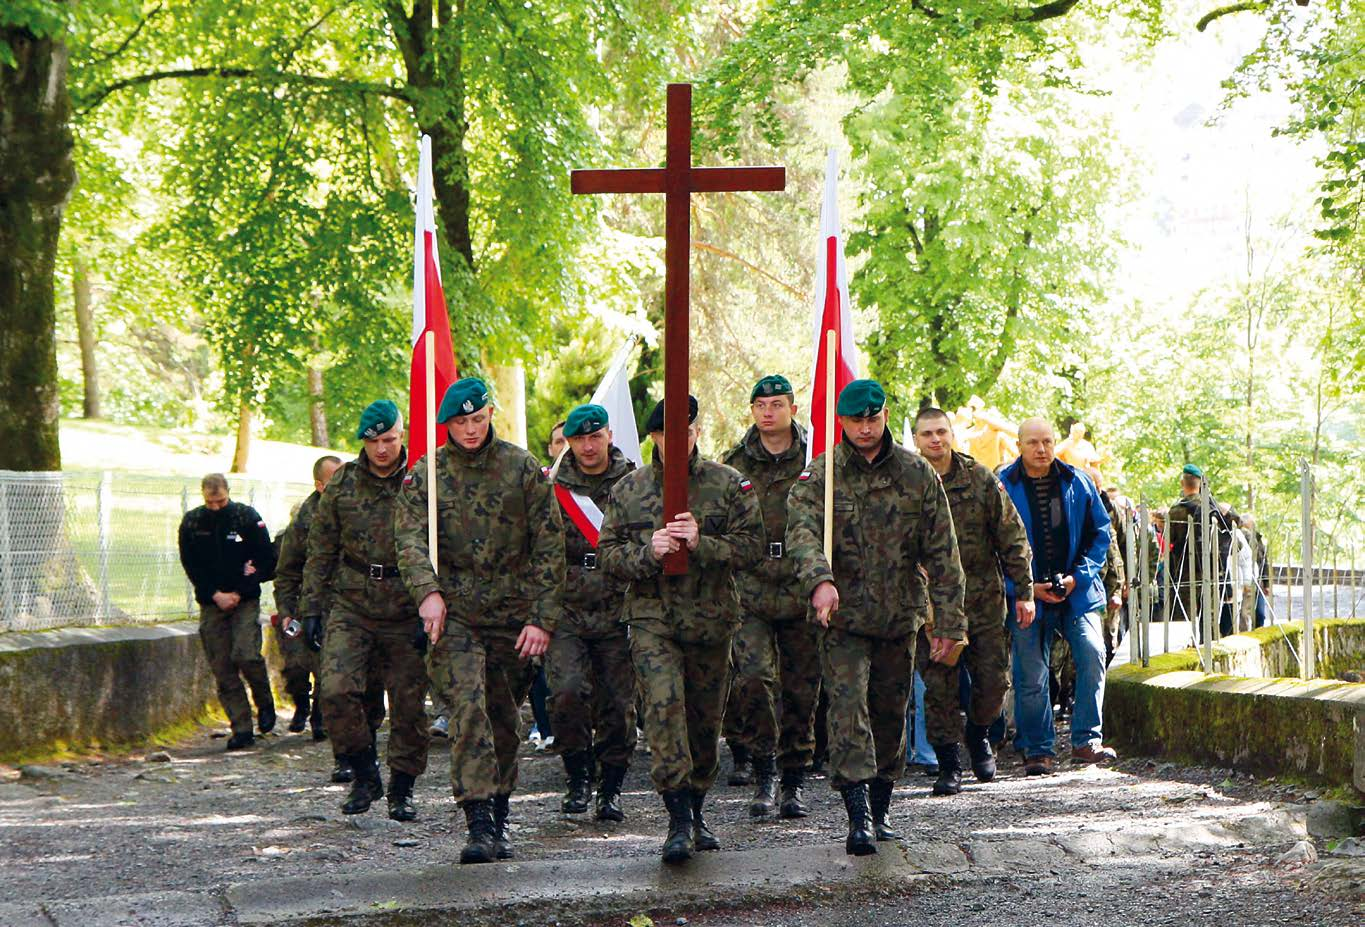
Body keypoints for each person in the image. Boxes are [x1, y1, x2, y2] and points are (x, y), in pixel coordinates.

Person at [786, 380, 967, 856]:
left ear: (886, 415)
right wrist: (819, 580)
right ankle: (857, 815)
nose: (864, 428)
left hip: (898, 615)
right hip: (841, 618)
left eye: (872, 418)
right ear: (841, 422)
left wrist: (949, 624)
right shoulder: (821, 477)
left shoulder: (916, 474)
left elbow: (944, 554)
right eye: (854, 420)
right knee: (847, 711)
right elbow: (801, 537)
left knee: (890, 714)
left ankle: (882, 803)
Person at [394, 378, 565, 864]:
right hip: (455, 616)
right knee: (467, 710)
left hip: (513, 616)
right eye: (459, 422)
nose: (470, 430)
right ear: (446, 424)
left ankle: (501, 810)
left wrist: (542, 619)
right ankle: (478, 821)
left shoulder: (522, 468)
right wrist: (427, 592)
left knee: (503, 718)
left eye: (477, 418)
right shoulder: (427, 474)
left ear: (491, 413)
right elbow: (408, 541)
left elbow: (550, 547)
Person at [597, 394, 764, 864]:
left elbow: (754, 548)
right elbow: (608, 557)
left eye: (688, 431)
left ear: (696, 432)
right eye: (670, 433)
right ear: (654, 438)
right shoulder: (628, 490)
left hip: (711, 620)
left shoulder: (729, 484)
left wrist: (703, 543)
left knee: (704, 724)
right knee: (664, 713)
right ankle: (677, 819)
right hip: (654, 621)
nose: (680, 440)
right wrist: (646, 553)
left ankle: (697, 807)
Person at [301, 401, 430, 822]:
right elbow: (321, 548)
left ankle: (402, 788)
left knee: (409, 707)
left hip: (407, 603)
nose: (381, 449)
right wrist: (312, 608)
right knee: (336, 691)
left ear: (402, 435)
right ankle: (363, 772)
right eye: (373, 441)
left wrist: (434, 604)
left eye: (389, 439)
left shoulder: (421, 480)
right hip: (352, 602)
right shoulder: (343, 484)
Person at [910, 408, 1033, 795]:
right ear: (915, 439)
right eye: (927, 433)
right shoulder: (905, 483)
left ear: (952, 435)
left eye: (941, 432)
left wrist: (1025, 590)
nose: (935, 440)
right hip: (931, 605)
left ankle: (978, 732)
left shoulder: (978, 478)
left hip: (981, 599)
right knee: (938, 686)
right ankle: (948, 762)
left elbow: (1011, 536)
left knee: (994, 681)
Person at [720, 374, 821, 819]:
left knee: (801, 688)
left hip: (801, 586)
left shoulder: (817, 460)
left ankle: (794, 779)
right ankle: (764, 770)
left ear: (793, 410)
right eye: (760, 404)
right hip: (752, 587)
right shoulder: (734, 463)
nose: (767, 412)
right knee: (754, 679)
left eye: (777, 404)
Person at [998, 418, 1115, 775]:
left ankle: (1086, 741)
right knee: (1030, 672)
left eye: (1047, 441)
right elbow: (989, 547)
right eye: (1033, 442)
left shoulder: (1076, 481)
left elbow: (1101, 534)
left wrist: (1078, 577)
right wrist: (1023, 587)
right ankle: (1038, 748)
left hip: (1076, 591)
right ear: (1019, 445)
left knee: (1093, 652)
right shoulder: (1002, 486)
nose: (1041, 449)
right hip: (1026, 594)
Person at [545, 403, 637, 821]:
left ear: (609, 436)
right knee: (566, 693)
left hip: (620, 607)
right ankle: (578, 776)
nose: (586, 446)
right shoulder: (552, 486)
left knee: (618, 704)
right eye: (578, 439)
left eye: (594, 436)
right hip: (567, 608)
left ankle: (612, 787)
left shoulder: (634, 482)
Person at [178, 473, 277, 751]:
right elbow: (191, 565)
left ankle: (264, 701)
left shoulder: (245, 518)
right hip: (212, 602)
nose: (216, 507)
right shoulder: (193, 523)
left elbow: (266, 559)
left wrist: (242, 590)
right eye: (211, 502)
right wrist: (215, 595)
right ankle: (241, 727)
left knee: (246, 654)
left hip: (244, 599)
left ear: (228, 494)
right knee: (222, 667)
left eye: (220, 501)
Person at [272, 455, 341, 738]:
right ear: (320, 484)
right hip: (303, 606)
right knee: (297, 667)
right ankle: (301, 704)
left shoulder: (354, 511)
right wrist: (286, 611)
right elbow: (286, 572)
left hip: (340, 607)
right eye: (334, 479)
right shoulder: (302, 523)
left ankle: (320, 718)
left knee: (331, 670)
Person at [1166, 464, 1240, 638]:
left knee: (1185, 625)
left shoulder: (1176, 512)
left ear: (1183, 483)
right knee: (1210, 623)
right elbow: (1235, 536)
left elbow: (1169, 542)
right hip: (1212, 573)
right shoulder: (1214, 510)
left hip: (1186, 575)